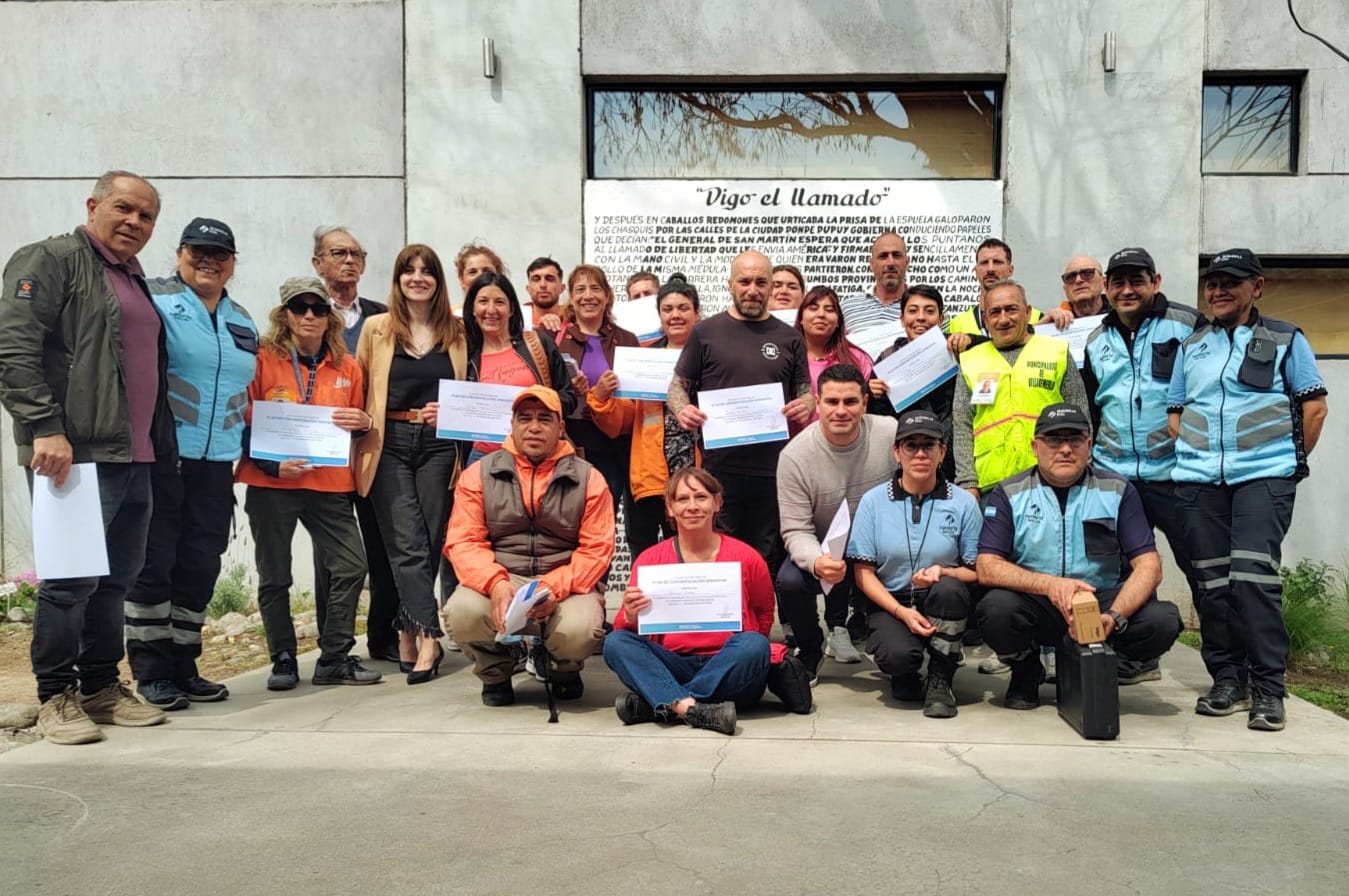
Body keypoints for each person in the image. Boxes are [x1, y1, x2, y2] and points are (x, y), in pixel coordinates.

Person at [0, 170, 172, 743]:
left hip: (134, 452)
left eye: (146, 216)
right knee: (70, 580)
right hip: (72, 455)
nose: (135, 223)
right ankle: (55, 696)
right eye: (124, 209)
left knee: (115, 580)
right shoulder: (50, 260)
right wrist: (44, 427)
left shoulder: (131, 275)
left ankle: (100, 686)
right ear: (93, 205)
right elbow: (14, 348)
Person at [1168, 249, 1329, 731]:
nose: (1218, 291)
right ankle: (1228, 680)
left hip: (1263, 480)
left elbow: (1313, 407)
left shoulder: (1284, 337)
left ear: (1256, 287)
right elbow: (1176, 411)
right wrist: (1198, 453)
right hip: (1200, 484)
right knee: (1213, 586)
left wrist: (1285, 464)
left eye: (1230, 282)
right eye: (1212, 283)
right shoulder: (1192, 344)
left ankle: (1268, 689)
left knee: (1253, 581)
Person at [127, 217, 258, 711]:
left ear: (232, 263)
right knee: (153, 562)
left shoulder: (242, 318)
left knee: (201, 563)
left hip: (216, 462)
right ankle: (151, 670)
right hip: (162, 454)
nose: (208, 260)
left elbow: (247, 392)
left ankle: (185, 663)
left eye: (219, 253)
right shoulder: (153, 299)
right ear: (179, 252)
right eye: (198, 250)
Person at [975, 404, 1182, 710]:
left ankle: (1103, 666)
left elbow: (1149, 566)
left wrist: (1114, 616)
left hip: (1099, 602)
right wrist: (1049, 585)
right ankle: (1026, 669)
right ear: (1035, 447)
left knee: (1162, 619)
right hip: (1039, 604)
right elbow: (987, 566)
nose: (1065, 449)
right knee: (995, 609)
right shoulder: (1009, 493)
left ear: (1089, 445)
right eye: (1053, 441)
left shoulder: (1118, 490)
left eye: (1074, 440)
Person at [238, 277, 381, 691]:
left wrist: (363, 423)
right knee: (275, 575)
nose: (309, 316)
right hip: (272, 484)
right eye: (299, 308)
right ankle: (282, 657)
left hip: (330, 483)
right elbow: (241, 419)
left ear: (329, 316)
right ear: (284, 314)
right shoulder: (262, 358)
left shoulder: (346, 364)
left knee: (352, 566)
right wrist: (269, 465)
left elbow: (357, 423)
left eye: (318, 309)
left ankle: (334, 656)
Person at [605, 468, 813, 735]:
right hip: (674, 663)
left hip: (729, 668)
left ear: (717, 503)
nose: (692, 506)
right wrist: (630, 616)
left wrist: (741, 656)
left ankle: (664, 701)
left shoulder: (747, 557)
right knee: (615, 642)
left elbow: (763, 613)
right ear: (669, 508)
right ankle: (692, 709)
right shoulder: (650, 560)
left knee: (754, 644)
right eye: (682, 499)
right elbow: (626, 626)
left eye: (701, 497)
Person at [445, 386, 614, 706]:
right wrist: (494, 583)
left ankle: (561, 667)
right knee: (461, 612)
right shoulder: (477, 474)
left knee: (581, 629)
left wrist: (553, 587)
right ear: (512, 425)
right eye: (525, 418)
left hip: (564, 580)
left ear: (560, 428)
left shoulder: (589, 478)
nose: (534, 427)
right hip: (502, 577)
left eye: (544, 419)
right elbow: (463, 541)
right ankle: (496, 669)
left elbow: (597, 550)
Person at [1081, 247, 1202, 685]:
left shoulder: (1188, 326)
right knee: (1119, 572)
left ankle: (1230, 670)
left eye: (1137, 281)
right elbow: (1092, 405)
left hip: (1175, 474)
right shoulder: (1096, 339)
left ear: (1156, 280)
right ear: (1107, 288)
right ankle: (1137, 657)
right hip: (1114, 478)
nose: (1127, 290)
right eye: (1118, 282)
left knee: (1200, 567)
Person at [355, 244, 465, 683]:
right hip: (390, 441)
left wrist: (451, 413)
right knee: (406, 542)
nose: (418, 278)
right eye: (409, 271)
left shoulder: (456, 331)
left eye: (427, 272)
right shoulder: (377, 328)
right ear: (398, 278)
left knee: (431, 538)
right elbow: (360, 385)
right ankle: (429, 637)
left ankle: (406, 624)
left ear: (438, 281)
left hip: (440, 444)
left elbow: (468, 390)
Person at [668, 250, 813, 573]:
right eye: (745, 281)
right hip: (720, 468)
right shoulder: (705, 332)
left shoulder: (789, 337)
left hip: (773, 467)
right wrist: (683, 409)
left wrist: (805, 404)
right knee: (720, 551)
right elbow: (677, 385)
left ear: (771, 286)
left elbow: (805, 391)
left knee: (766, 555)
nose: (753, 289)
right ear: (730, 284)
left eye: (761, 282)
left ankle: (759, 624)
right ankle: (726, 623)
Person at [846, 411, 982, 716]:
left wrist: (944, 571)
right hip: (892, 601)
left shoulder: (963, 502)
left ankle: (940, 677)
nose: (920, 454)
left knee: (949, 588)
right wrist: (902, 613)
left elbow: (975, 570)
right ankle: (906, 672)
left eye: (928, 445)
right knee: (898, 658)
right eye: (911, 446)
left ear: (942, 452)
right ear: (897, 452)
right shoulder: (873, 502)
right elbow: (863, 574)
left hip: (941, 599)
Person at [309, 224, 399, 663]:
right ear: (317, 263)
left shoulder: (384, 316)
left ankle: (382, 636)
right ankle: (334, 643)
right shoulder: (303, 312)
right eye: (337, 253)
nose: (348, 260)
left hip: (374, 450)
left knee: (383, 547)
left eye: (355, 253)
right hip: (322, 455)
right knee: (333, 556)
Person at [777, 365, 898, 679]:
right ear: (817, 403)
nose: (841, 410)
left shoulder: (889, 433)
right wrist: (817, 561)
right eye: (832, 402)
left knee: (896, 660)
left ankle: (893, 641)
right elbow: (796, 529)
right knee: (790, 579)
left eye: (850, 402)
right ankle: (810, 646)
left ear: (865, 403)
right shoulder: (794, 456)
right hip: (827, 550)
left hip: (882, 551)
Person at [588, 273, 701, 558]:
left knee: (692, 555)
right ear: (659, 315)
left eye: (683, 308)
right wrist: (601, 398)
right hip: (651, 475)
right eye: (667, 309)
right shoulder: (641, 357)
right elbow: (621, 422)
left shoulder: (714, 354)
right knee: (646, 554)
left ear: (697, 313)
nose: (675, 315)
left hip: (700, 475)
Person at [952, 279, 1087, 502]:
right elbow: (962, 426)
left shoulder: (1056, 352)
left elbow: (1081, 415)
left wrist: (1082, 469)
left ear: (1027, 312)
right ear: (985, 319)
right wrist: (968, 483)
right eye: (994, 312)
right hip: (992, 486)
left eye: (1011, 309)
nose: (1003, 319)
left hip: (1052, 480)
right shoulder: (970, 361)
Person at [541, 264, 641, 513]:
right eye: (580, 289)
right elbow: (540, 387)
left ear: (607, 296)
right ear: (571, 298)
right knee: (565, 517)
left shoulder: (628, 340)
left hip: (613, 445)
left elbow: (637, 396)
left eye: (596, 288)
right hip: (568, 442)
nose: (588, 296)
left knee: (603, 515)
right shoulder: (553, 336)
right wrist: (569, 388)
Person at [463, 272, 577, 465]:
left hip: (537, 456)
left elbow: (568, 397)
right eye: (483, 301)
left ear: (512, 309)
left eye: (499, 302)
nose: (491, 310)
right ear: (472, 309)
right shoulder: (464, 354)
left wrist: (537, 407)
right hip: (482, 458)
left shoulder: (537, 344)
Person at [868, 284, 958, 481]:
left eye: (929, 311)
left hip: (951, 456)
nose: (920, 318)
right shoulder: (888, 359)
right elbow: (876, 416)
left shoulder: (955, 350)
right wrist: (874, 395)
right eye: (912, 311)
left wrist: (967, 339)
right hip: (905, 457)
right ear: (902, 320)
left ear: (941, 319)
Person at [947, 239, 1067, 337]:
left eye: (997, 262)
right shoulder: (957, 324)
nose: (990, 269)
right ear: (976, 270)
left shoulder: (1036, 318)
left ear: (1010, 270)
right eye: (984, 263)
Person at [794, 285, 874, 427]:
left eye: (829, 310)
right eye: (813, 308)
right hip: (793, 443)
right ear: (801, 317)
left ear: (838, 321)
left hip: (844, 442)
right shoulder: (786, 356)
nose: (821, 314)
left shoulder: (857, 359)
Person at [839, 231, 910, 357]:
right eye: (883, 256)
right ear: (871, 264)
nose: (890, 262)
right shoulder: (846, 308)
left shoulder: (926, 309)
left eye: (897, 255)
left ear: (907, 262)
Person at [525, 256, 567, 326]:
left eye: (549, 279)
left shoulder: (573, 318)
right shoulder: (517, 320)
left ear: (561, 288)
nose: (543, 285)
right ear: (528, 289)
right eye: (536, 279)